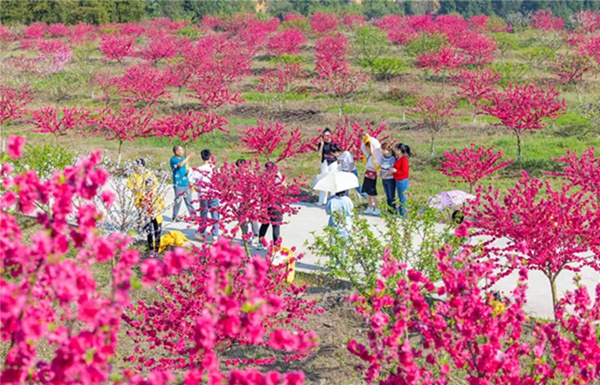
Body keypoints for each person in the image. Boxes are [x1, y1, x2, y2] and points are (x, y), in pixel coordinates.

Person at [127, 158, 164, 254]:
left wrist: (156, 208)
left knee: (157, 231)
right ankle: (151, 249)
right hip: (142, 201)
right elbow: (129, 185)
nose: (137, 168)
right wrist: (135, 188)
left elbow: (162, 202)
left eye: (139, 166)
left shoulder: (149, 174)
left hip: (155, 213)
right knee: (149, 230)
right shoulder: (134, 175)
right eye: (136, 166)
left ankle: (157, 250)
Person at [189, 149, 219, 242]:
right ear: (211, 156)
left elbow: (192, 180)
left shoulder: (200, 169)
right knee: (215, 214)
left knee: (204, 214)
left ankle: (201, 231)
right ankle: (215, 236)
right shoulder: (215, 169)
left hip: (203, 195)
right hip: (214, 194)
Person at [259, 162, 284, 246]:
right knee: (276, 224)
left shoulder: (263, 178)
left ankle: (260, 242)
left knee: (265, 224)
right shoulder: (277, 179)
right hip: (275, 203)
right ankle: (276, 245)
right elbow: (283, 188)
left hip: (265, 203)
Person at [236, 158, 260, 246]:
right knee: (241, 217)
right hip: (243, 199)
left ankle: (255, 236)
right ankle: (245, 235)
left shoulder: (250, 174)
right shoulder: (239, 174)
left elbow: (254, 188)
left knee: (252, 217)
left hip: (251, 200)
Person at [170, 146, 195, 222]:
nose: (183, 151)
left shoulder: (183, 157)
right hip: (178, 183)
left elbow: (185, 165)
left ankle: (193, 216)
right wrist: (188, 157)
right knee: (178, 201)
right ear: (177, 152)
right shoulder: (173, 159)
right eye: (181, 150)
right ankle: (174, 216)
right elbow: (180, 165)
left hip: (186, 183)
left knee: (189, 201)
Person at [361, 135, 383, 216]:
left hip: (372, 173)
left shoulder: (375, 155)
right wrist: (365, 138)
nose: (367, 149)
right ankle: (369, 207)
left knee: (372, 192)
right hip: (367, 172)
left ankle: (377, 208)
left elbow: (377, 165)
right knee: (367, 192)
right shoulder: (368, 154)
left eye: (368, 147)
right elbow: (362, 147)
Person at [317, 127, 338, 206]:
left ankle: (333, 199)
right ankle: (322, 200)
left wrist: (334, 154)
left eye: (327, 135)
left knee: (332, 179)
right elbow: (319, 154)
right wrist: (322, 145)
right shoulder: (321, 143)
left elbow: (338, 153)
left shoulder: (333, 143)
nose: (326, 137)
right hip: (325, 162)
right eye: (324, 135)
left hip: (332, 162)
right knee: (323, 179)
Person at [390, 143, 411, 216]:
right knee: (400, 197)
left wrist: (396, 171)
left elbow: (404, 171)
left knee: (403, 198)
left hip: (402, 180)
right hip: (398, 179)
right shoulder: (398, 158)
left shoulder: (404, 159)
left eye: (396, 149)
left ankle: (403, 213)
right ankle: (401, 212)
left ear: (399, 150)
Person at [380, 142, 396, 214]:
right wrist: (381, 173)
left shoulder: (392, 158)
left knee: (391, 196)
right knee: (387, 195)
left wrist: (386, 174)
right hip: (384, 178)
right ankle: (389, 209)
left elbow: (392, 169)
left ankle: (393, 210)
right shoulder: (383, 157)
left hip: (390, 178)